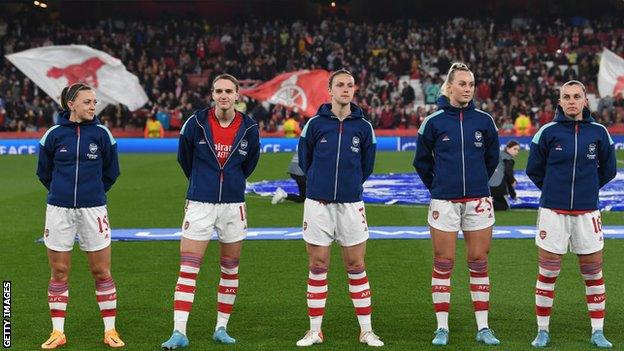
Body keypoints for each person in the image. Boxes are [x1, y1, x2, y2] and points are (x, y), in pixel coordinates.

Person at [160, 74, 260, 349]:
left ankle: (221, 327)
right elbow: (185, 159)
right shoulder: (196, 123)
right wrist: (200, 183)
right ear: (212, 94)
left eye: (229, 90)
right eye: (219, 91)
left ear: (238, 95)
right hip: (200, 203)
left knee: (230, 268)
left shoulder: (250, 127)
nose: (224, 95)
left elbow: (250, 163)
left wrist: (231, 183)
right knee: (189, 268)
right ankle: (179, 332)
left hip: (233, 205)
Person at [414, 62, 501, 346]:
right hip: (444, 201)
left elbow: (491, 159)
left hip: (478, 200)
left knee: (478, 262)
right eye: (462, 83)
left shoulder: (484, 121)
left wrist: (476, 184)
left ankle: (483, 327)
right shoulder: (433, 121)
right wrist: (440, 186)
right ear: (449, 86)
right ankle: (442, 327)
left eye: (471, 84)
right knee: (444, 262)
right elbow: (422, 162)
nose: (467, 88)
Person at [295, 69, 383, 347]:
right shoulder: (314, 124)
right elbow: (305, 161)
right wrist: (320, 186)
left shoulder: (364, 127)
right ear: (330, 90)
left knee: (356, 264)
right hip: (318, 204)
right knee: (317, 265)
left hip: (351, 203)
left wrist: (349, 185)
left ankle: (366, 330)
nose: (345, 89)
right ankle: (314, 331)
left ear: (354, 90)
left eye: (350, 85)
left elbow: (366, 167)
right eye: (340, 85)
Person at [526, 80, 617, 348]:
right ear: (560, 101)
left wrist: (587, 191)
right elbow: (534, 170)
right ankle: (542, 331)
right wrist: (556, 191)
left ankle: (597, 331)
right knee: (548, 273)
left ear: (585, 101)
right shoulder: (546, 132)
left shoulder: (599, 133)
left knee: (593, 273)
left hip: (587, 213)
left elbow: (608, 171)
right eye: (566, 97)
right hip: (553, 212)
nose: (572, 101)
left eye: (577, 96)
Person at [36, 83, 123, 349]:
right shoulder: (52, 135)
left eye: (94, 102)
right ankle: (57, 332)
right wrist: (63, 194)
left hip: (93, 209)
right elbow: (44, 173)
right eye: (87, 102)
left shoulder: (102, 134)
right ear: (71, 104)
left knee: (101, 271)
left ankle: (110, 331)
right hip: (59, 210)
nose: (93, 107)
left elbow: (111, 172)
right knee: (59, 271)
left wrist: (92, 193)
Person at [489, 140, 520, 211]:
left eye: (518, 150)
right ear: (508, 148)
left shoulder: (498, 155)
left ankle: (488, 201)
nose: (517, 152)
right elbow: (508, 174)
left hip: (488, 187)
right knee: (505, 206)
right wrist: (513, 182)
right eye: (514, 149)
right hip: (499, 187)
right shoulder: (508, 159)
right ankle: (488, 205)